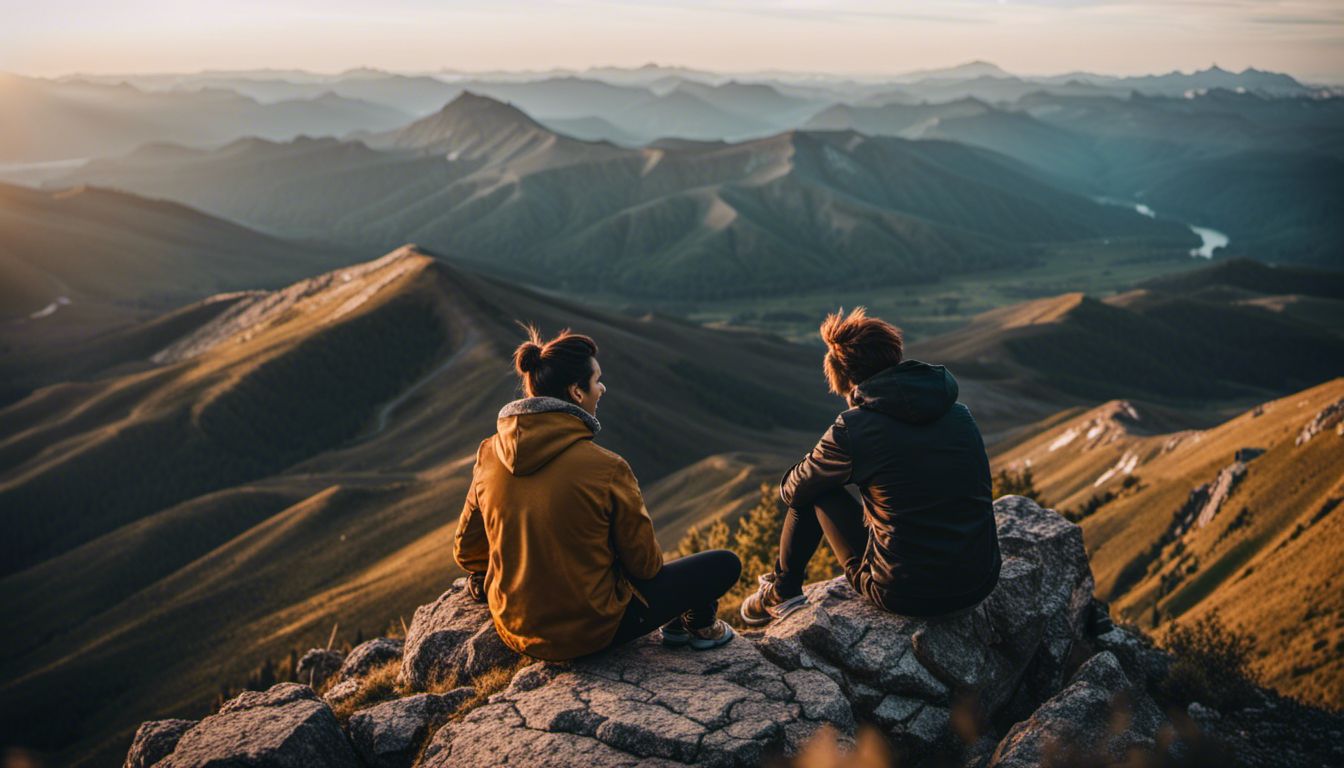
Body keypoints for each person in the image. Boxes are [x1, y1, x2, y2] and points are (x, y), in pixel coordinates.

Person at [454, 324, 740, 661]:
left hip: (513, 628)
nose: (601, 388)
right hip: (589, 633)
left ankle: (682, 623)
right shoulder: (606, 468)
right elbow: (646, 567)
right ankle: (700, 625)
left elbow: (468, 553)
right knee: (724, 564)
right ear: (577, 392)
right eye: (596, 381)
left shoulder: (489, 453)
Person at [741, 307, 1000, 625]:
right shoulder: (959, 412)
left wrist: (828, 460)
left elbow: (793, 490)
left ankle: (782, 591)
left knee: (815, 492)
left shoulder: (855, 428)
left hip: (906, 593)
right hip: (980, 580)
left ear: (841, 374)